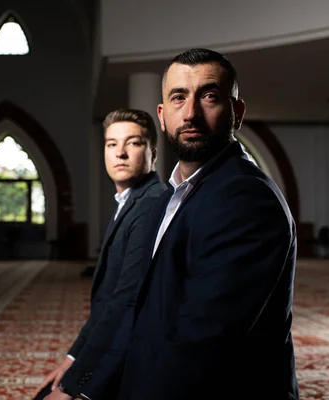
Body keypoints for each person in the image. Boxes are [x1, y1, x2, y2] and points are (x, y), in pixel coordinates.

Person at [117, 48, 299, 399]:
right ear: (162, 115)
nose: (191, 113)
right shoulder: (173, 195)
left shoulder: (246, 198)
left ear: (237, 113)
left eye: (210, 96)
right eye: (178, 97)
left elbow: (201, 346)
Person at [32, 108, 167, 400]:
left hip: (136, 361)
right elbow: (106, 304)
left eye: (133, 143)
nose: (120, 153)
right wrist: (71, 360)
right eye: (111, 144)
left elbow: (126, 302)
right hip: (118, 345)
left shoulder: (151, 204)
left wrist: (77, 387)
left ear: (152, 153)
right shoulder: (130, 201)